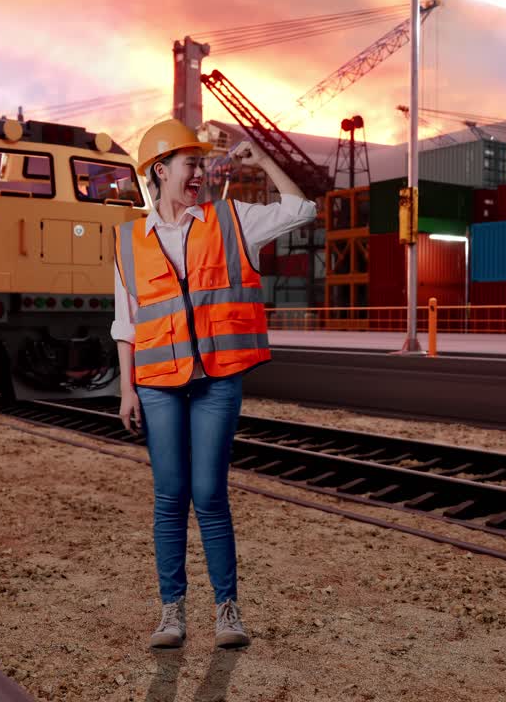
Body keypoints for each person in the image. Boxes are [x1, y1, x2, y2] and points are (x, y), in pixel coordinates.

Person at [112, 119, 316, 649]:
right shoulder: (131, 238)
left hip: (216, 379)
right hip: (158, 381)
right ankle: (171, 613)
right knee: (169, 496)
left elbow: (301, 209)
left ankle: (227, 610)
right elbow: (126, 319)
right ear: (160, 171)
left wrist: (265, 163)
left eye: (201, 164)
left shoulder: (231, 219)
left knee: (209, 493)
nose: (199, 173)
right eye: (189, 164)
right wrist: (127, 389)